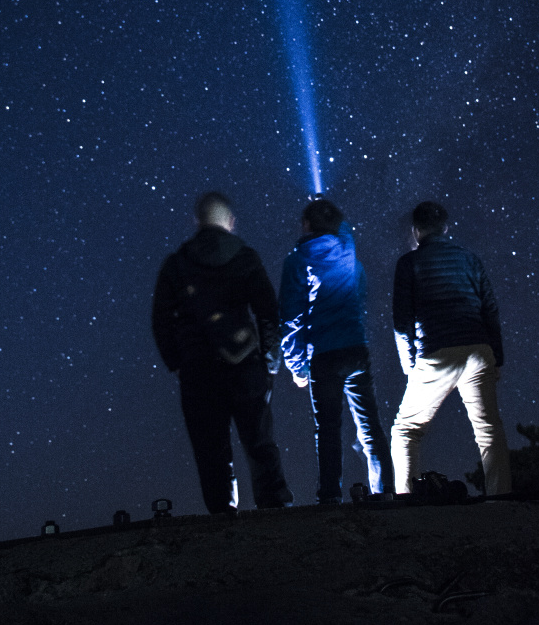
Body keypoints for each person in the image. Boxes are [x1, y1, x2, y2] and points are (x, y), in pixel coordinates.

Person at [152, 191, 292, 514]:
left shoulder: (177, 264)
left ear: (197, 221)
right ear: (230, 222)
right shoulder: (246, 257)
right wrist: (270, 361)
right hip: (245, 365)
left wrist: (177, 361)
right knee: (259, 443)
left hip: (197, 371)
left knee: (210, 450)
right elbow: (269, 312)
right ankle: (275, 510)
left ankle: (223, 517)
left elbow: (160, 320)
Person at [390, 200, 512, 497]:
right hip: (478, 349)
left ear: (415, 231)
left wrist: (410, 366)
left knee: (405, 431)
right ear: (446, 228)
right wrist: (497, 357)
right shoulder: (470, 259)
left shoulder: (409, 263)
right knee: (488, 430)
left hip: (437, 351)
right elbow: (490, 310)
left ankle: (406, 501)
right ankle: (501, 497)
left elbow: (401, 321)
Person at [279, 196, 393, 504]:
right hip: (356, 347)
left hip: (325, 354)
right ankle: (386, 492)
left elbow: (291, 318)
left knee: (328, 429)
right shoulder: (348, 250)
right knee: (370, 423)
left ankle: (330, 496)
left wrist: (297, 366)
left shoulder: (297, 261)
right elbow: (361, 288)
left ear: (306, 225)